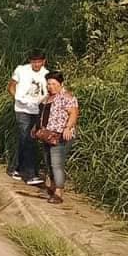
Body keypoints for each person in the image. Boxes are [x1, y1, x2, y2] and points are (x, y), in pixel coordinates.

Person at [7, 50, 49, 186]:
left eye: (39, 62)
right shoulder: (21, 70)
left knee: (26, 139)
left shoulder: (46, 74)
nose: (36, 64)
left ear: (43, 61)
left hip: (37, 110)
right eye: (34, 62)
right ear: (30, 61)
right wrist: (17, 98)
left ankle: (15, 168)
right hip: (22, 109)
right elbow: (11, 86)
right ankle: (31, 174)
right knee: (28, 138)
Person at [39, 71, 79, 204]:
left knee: (56, 163)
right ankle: (52, 186)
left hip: (60, 134)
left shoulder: (66, 97)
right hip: (47, 135)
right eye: (49, 84)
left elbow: (73, 113)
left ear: (61, 84)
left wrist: (68, 127)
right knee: (47, 161)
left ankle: (59, 192)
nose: (51, 86)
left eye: (54, 84)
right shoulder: (47, 98)